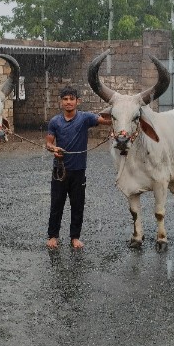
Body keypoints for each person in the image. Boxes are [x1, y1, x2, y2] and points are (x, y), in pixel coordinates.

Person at [46, 85, 112, 250]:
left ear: (77, 101)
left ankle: (75, 238)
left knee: (77, 205)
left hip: (78, 170)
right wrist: (53, 149)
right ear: (61, 102)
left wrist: (122, 119)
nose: (68, 102)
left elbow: (106, 121)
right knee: (56, 204)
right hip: (59, 170)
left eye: (71, 99)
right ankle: (53, 236)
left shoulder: (85, 118)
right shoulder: (55, 121)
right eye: (65, 99)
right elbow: (48, 142)